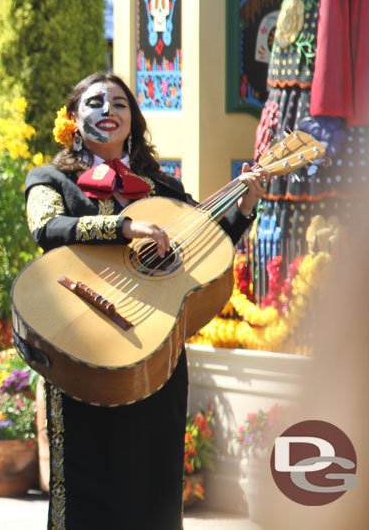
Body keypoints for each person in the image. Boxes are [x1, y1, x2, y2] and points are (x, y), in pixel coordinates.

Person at [23, 72, 268, 529]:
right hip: (81, 346)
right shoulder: (51, 179)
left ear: (132, 121)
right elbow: (45, 228)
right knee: (85, 479)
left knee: (153, 484)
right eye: (95, 103)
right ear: (73, 121)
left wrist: (244, 206)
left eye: (119, 104)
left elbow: (206, 249)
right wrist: (122, 228)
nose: (108, 110)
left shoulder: (163, 190)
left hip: (155, 349)